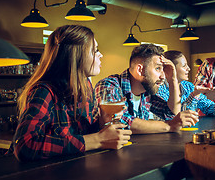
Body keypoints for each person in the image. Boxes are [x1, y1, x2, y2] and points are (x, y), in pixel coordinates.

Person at [11, 25, 131, 161]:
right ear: (76, 55)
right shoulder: (44, 91)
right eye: (95, 50)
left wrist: (102, 123)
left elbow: (82, 133)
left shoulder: (86, 86)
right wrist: (98, 140)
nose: (100, 55)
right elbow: (25, 146)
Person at [95, 44, 199, 134]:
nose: (163, 76)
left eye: (163, 69)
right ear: (140, 70)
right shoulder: (109, 85)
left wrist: (172, 79)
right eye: (158, 68)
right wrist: (169, 126)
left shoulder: (146, 92)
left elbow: (171, 113)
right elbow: (117, 122)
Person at [156, 50, 215, 116]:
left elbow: (208, 108)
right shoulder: (159, 89)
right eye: (184, 66)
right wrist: (194, 95)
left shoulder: (188, 86)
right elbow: (177, 116)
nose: (188, 69)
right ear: (171, 68)